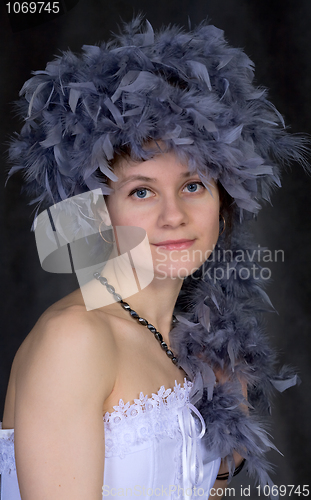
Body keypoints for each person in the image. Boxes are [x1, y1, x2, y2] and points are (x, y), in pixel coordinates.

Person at [0, 17, 308, 500]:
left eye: (193, 185)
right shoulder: (75, 340)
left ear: (223, 203)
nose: (174, 216)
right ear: (98, 212)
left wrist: (224, 463)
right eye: (142, 191)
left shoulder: (204, 355)